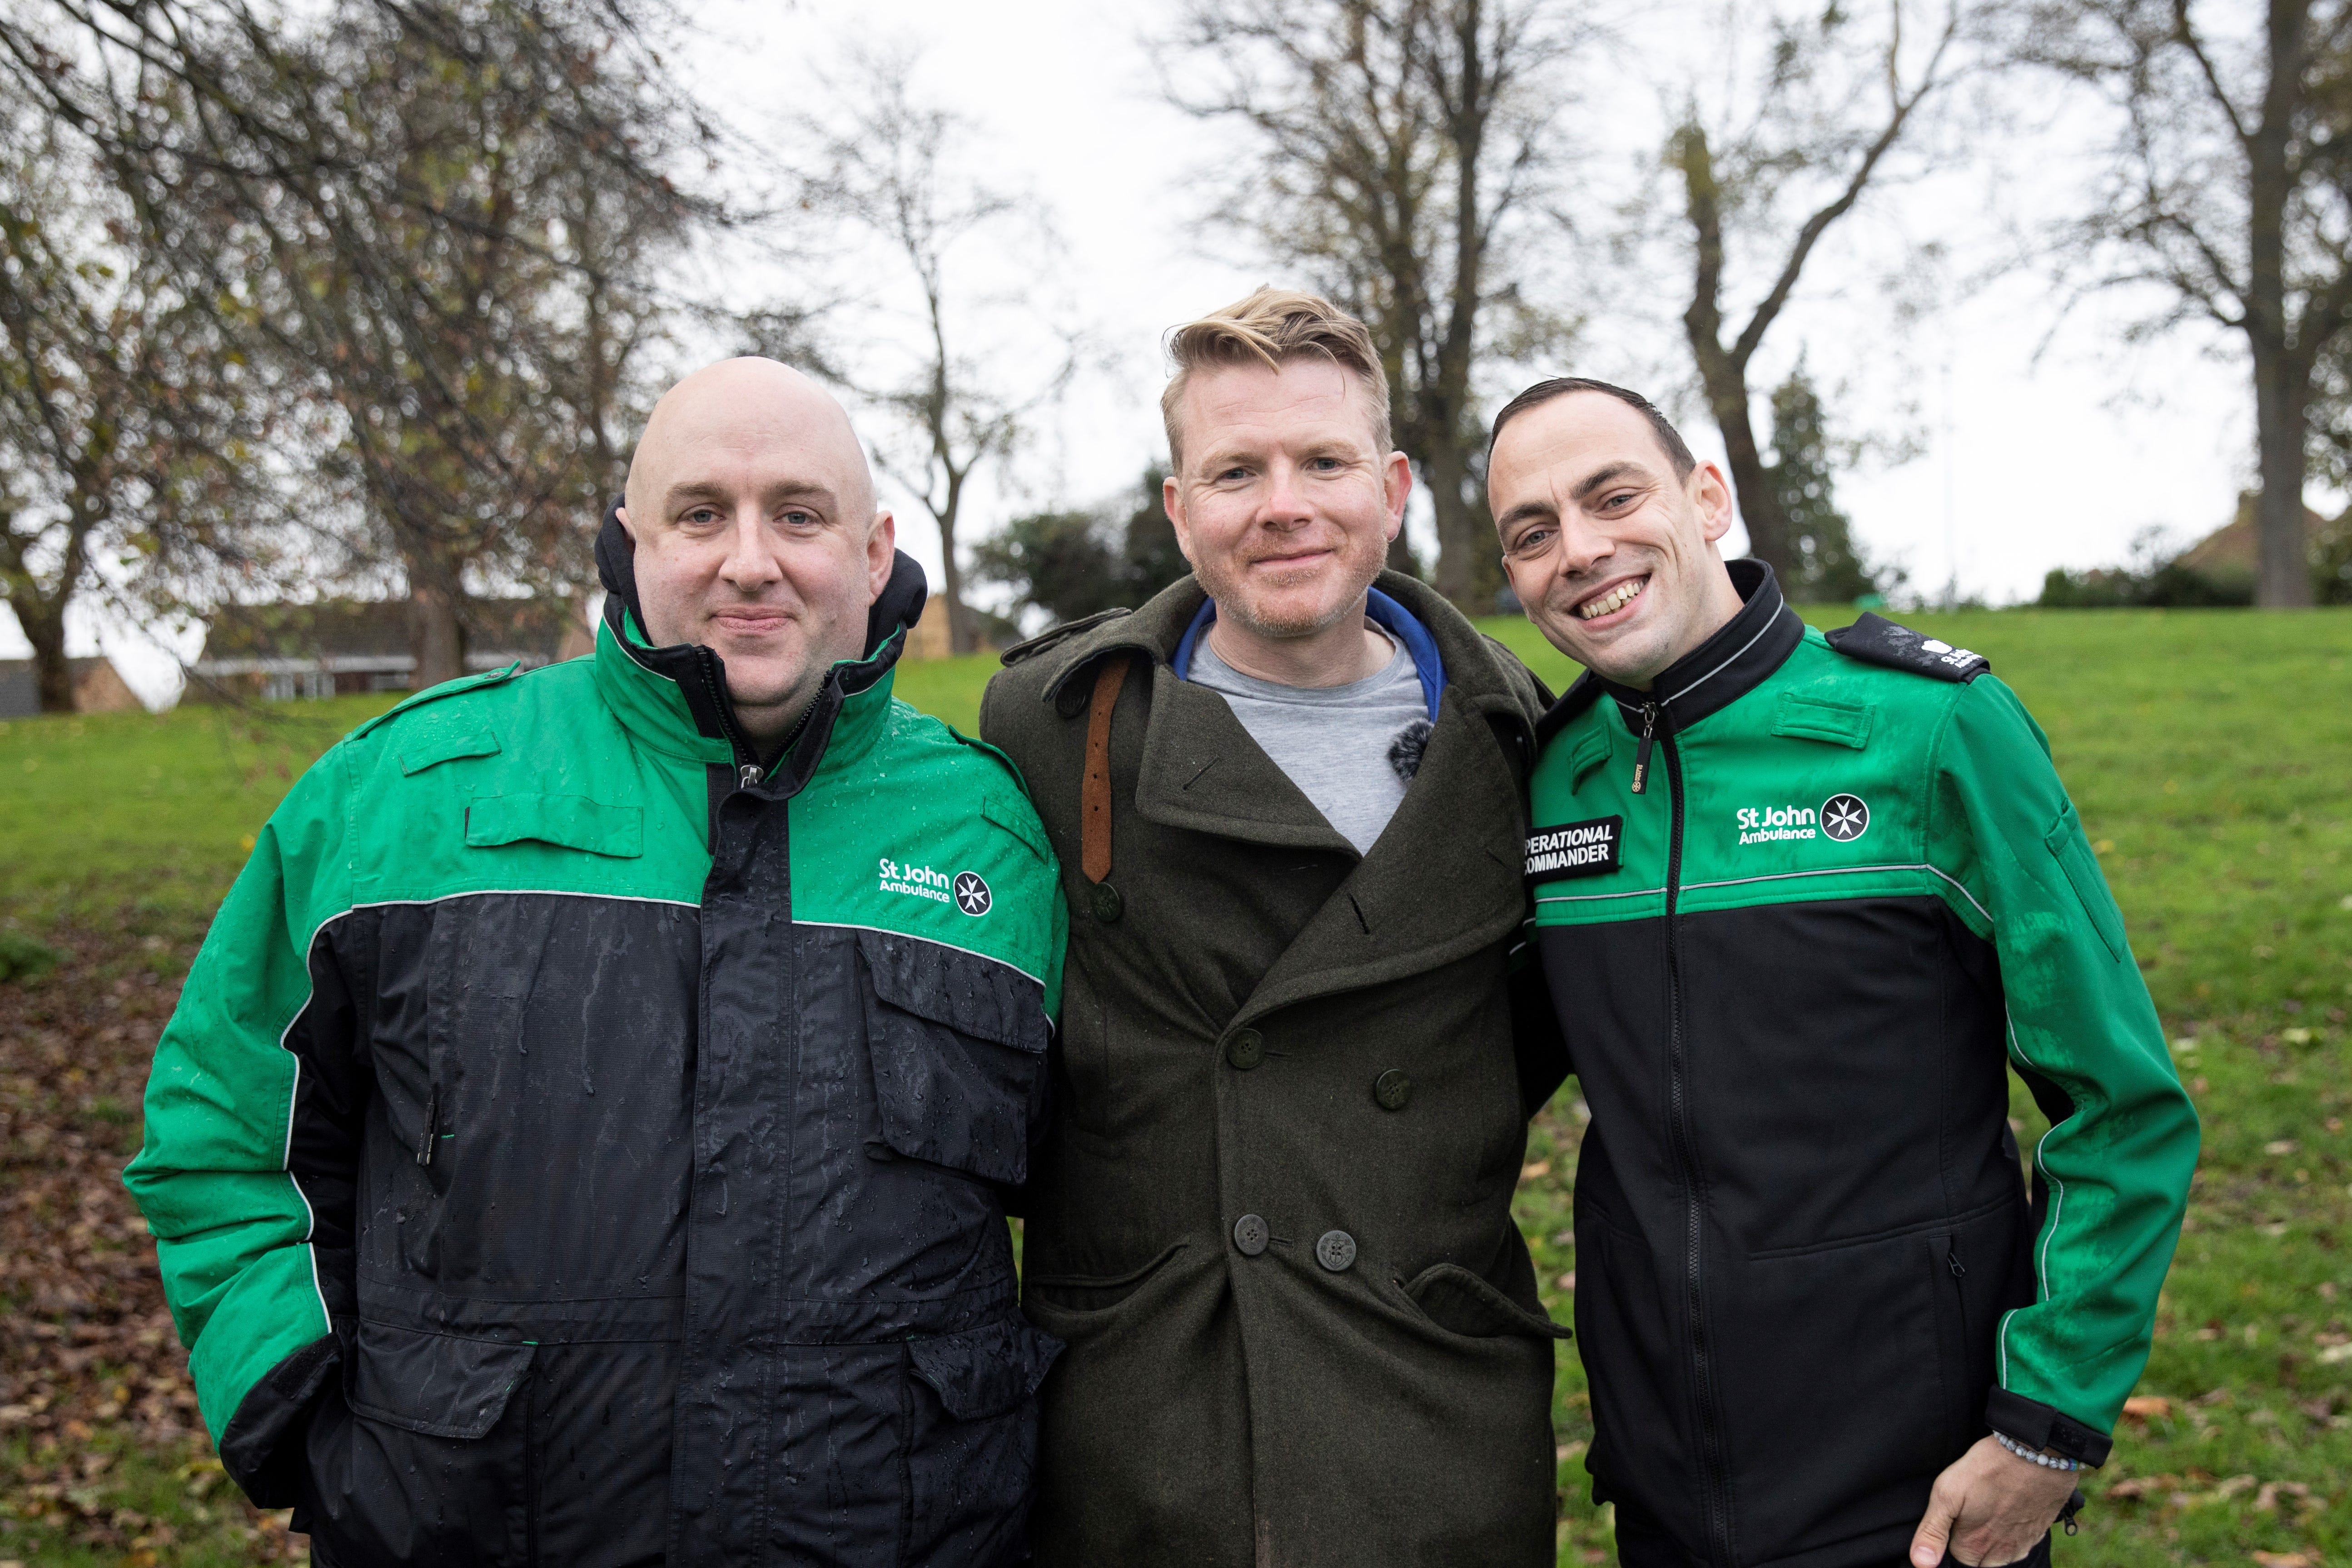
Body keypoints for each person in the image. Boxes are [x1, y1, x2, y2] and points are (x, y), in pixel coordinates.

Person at [124, 358, 1069, 1567]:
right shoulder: (403, 797)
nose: (748, 562)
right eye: (698, 514)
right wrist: (304, 1412)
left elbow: (1106, 1186)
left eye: (797, 513)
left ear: (875, 551)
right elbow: (225, 1135)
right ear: (628, 542)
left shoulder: (995, 838)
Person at [1487, 376, 2199, 1568]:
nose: (1579, 549)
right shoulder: (1548, 780)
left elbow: (2121, 1109)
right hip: (1662, 1496)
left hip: (1917, 1504)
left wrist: (2046, 1427)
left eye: (1612, 495)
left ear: (1705, 497)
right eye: (1531, 531)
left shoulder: (1931, 733)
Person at [979, 289, 1568, 1568]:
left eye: (1322, 460)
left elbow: (1537, 1033)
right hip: (1145, 1427)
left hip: (1427, 1415)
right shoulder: (1053, 721)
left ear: (1393, 484)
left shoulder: (1525, 740)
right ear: (1179, 505)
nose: (1283, 503)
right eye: (1235, 469)